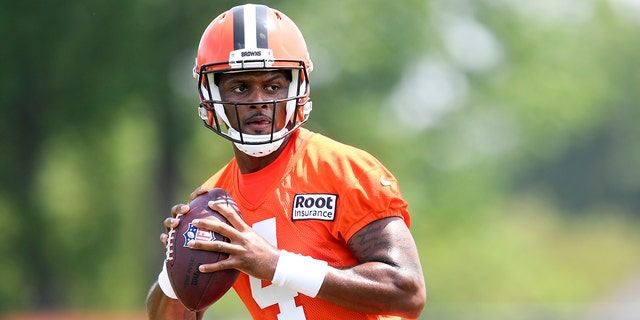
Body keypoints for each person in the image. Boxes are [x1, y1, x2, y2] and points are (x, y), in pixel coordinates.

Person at [146, 4, 426, 320]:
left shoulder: (344, 171)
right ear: (211, 94)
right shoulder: (214, 203)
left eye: (273, 86)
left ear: (296, 88)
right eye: (241, 87)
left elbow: (408, 291)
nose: (259, 101)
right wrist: (177, 269)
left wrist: (276, 264)